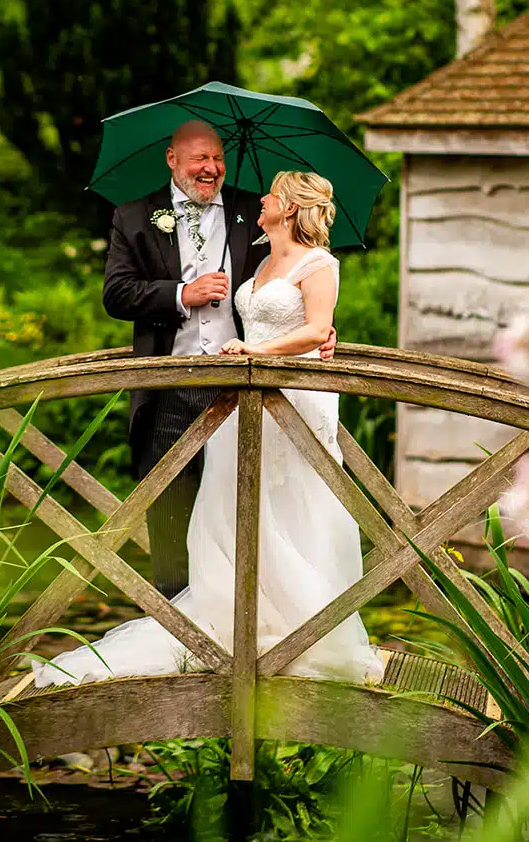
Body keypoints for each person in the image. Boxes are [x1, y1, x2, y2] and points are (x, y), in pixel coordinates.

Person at [34, 169, 383, 687]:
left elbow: (313, 327)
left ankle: (304, 631)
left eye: (269, 195)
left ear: (287, 207)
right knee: (231, 503)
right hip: (242, 399)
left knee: (291, 507)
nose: (259, 200)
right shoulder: (263, 261)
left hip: (292, 399)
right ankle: (237, 622)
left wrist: (262, 351)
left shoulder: (320, 264)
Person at [98, 121, 333, 599]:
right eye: (199, 158)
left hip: (244, 390)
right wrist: (182, 292)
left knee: (241, 512)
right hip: (167, 387)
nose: (211, 168)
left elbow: (299, 279)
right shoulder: (135, 216)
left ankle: (239, 626)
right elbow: (116, 294)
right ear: (171, 159)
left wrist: (320, 330)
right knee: (168, 511)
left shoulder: (255, 210)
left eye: (218, 158)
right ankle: (174, 628)